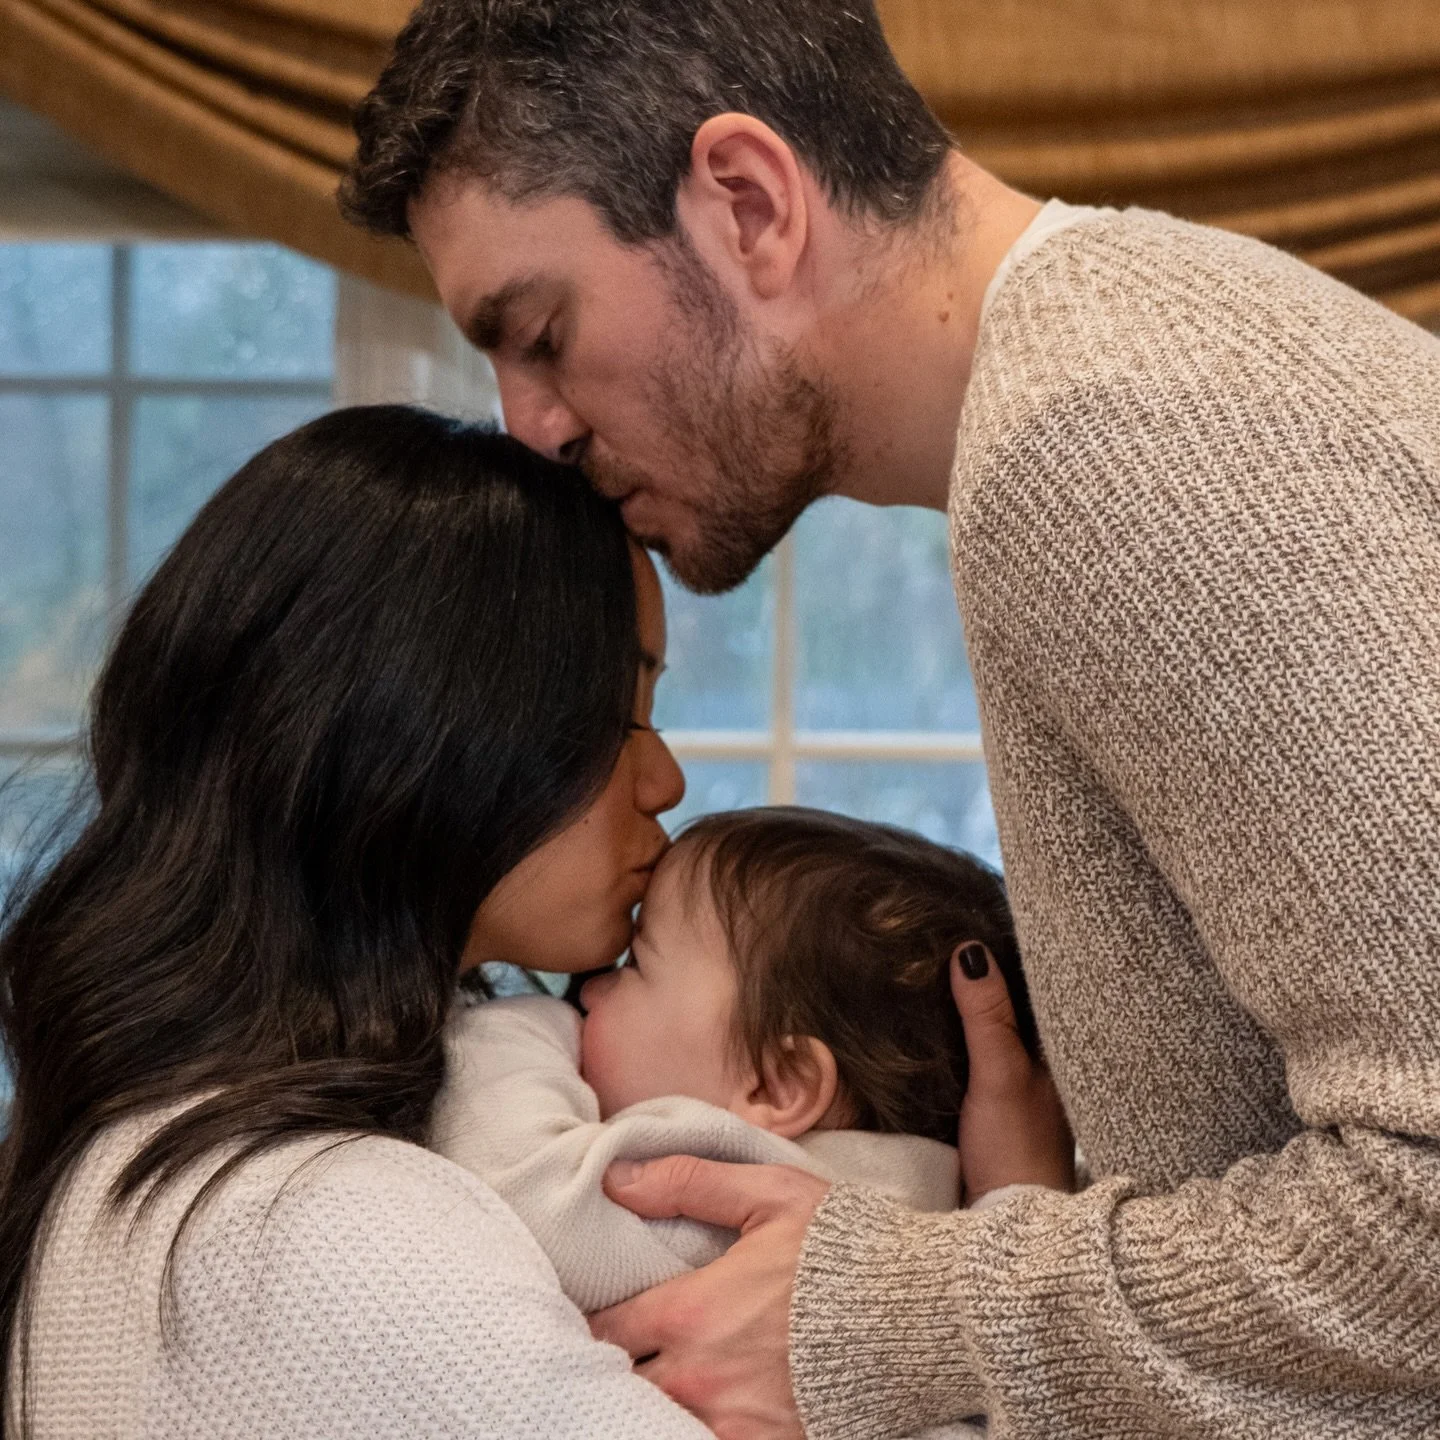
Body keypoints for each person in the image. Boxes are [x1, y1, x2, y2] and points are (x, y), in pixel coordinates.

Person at [340, 2, 1440, 1437]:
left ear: (749, 203)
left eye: (542, 332)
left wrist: (890, 1313)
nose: (530, 422)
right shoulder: (1118, 378)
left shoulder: (1110, 440)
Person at [0, 405, 716, 1437]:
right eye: (623, 711)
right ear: (432, 726)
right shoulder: (320, 1229)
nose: (666, 776)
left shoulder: (150, 1169)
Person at [431, 807, 1060, 1319]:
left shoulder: (740, 1185)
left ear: (776, 1084)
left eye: (635, 967)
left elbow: (523, 1186)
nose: (588, 991)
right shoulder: (940, 1212)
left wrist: (502, 1024)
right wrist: (1024, 1197)